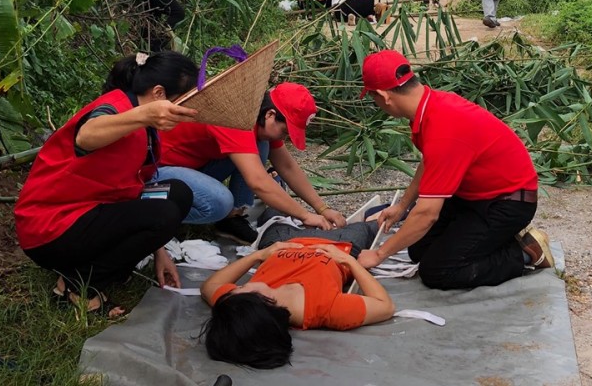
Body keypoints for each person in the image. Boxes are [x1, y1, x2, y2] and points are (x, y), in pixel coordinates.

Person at [14, 51, 200, 316]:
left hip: (92, 208)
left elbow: (133, 189)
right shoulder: (116, 106)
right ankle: (78, 286)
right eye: (181, 100)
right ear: (159, 94)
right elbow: (87, 136)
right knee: (164, 214)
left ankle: (98, 267)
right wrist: (144, 115)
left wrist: (159, 249)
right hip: (51, 227)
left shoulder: (146, 125)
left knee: (177, 193)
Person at [356, 50, 553, 290]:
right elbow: (430, 162)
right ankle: (491, 240)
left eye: (372, 98)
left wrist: (379, 255)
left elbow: (428, 214)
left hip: (508, 201)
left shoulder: (442, 127)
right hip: (475, 193)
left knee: (437, 271)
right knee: (418, 250)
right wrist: (402, 206)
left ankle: (524, 252)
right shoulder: (430, 105)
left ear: (382, 96)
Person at [158, 83, 347, 242]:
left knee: (262, 143)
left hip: (195, 165)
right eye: (285, 132)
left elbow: (287, 167)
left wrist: (322, 208)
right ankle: (163, 218)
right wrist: (304, 215)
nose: (286, 138)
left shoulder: (257, 116)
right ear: (270, 115)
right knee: (220, 202)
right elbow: (257, 181)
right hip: (158, 172)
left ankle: (232, 218)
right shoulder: (233, 117)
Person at [200, 219, 395, 369]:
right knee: (372, 225)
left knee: (270, 217)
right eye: (242, 288)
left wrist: (258, 256)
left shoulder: (237, 307)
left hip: (279, 240)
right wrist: (349, 262)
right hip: (339, 243)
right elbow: (385, 305)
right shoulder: (326, 309)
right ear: (264, 303)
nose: (237, 286)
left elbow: (210, 285)